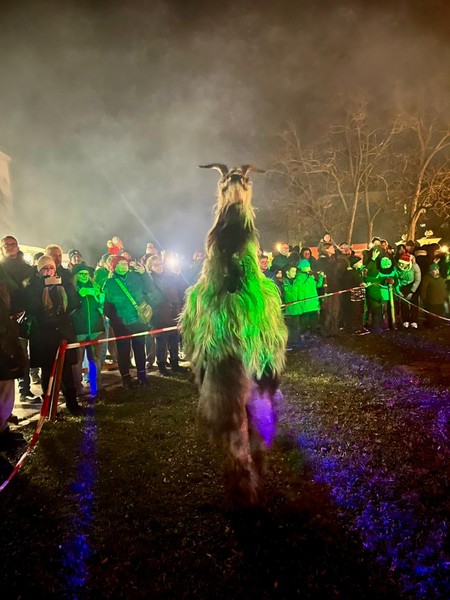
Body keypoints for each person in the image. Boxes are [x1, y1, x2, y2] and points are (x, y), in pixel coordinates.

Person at [23, 255, 82, 415]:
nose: (48, 271)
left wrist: (65, 286)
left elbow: (75, 303)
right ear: (38, 271)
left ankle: (72, 404)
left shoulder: (62, 284)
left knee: (67, 371)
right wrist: (41, 287)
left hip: (63, 334)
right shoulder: (32, 287)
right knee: (48, 372)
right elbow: (31, 307)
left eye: (51, 268)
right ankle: (49, 408)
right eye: (44, 268)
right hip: (44, 336)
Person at [0, 235, 39, 402]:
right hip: (9, 318)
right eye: (6, 245)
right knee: (16, 354)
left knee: (28, 353)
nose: (10, 247)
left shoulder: (27, 268)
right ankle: (21, 392)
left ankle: (28, 387)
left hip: (28, 315)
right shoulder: (1, 268)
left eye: (13, 244)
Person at [103, 255, 151, 388]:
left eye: (125, 263)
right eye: (121, 263)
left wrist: (144, 274)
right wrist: (117, 319)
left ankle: (142, 376)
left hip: (138, 321)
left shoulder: (135, 277)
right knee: (123, 352)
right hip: (121, 324)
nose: (124, 265)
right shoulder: (109, 283)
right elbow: (107, 307)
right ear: (114, 267)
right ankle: (126, 379)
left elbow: (149, 289)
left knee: (140, 349)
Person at [146, 254, 187, 375]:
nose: (160, 267)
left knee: (174, 339)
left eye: (161, 264)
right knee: (161, 341)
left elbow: (181, 288)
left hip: (173, 312)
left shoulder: (170, 276)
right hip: (158, 314)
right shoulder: (149, 279)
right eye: (156, 265)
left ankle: (175, 363)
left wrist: (178, 275)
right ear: (150, 266)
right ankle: (162, 366)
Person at [0, 273, 27, 451]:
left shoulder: (4, 283)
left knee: (6, 389)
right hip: (3, 342)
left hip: (6, 344)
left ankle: (3, 430)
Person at [71, 264, 106, 397]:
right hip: (79, 329)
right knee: (77, 360)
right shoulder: (72, 288)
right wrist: (80, 295)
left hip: (96, 328)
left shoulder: (95, 286)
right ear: (76, 275)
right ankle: (77, 388)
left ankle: (96, 385)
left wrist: (100, 298)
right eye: (81, 274)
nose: (85, 276)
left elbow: (101, 305)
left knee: (96, 358)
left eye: (86, 274)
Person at [395, 252, 421, 328]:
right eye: (400, 263)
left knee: (414, 304)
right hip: (402, 286)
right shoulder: (396, 267)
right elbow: (396, 278)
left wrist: (412, 291)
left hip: (413, 286)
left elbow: (417, 280)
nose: (401, 265)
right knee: (404, 304)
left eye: (403, 264)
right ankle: (405, 320)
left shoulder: (415, 266)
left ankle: (414, 320)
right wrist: (398, 289)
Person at [420, 263, 447, 328]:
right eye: (435, 270)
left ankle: (439, 324)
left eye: (437, 269)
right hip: (431, 302)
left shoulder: (441, 279)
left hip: (440, 301)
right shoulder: (427, 279)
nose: (437, 271)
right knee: (431, 315)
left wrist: (444, 297)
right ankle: (431, 325)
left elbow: (444, 288)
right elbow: (423, 290)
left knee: (439, 313)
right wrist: (424, 299)